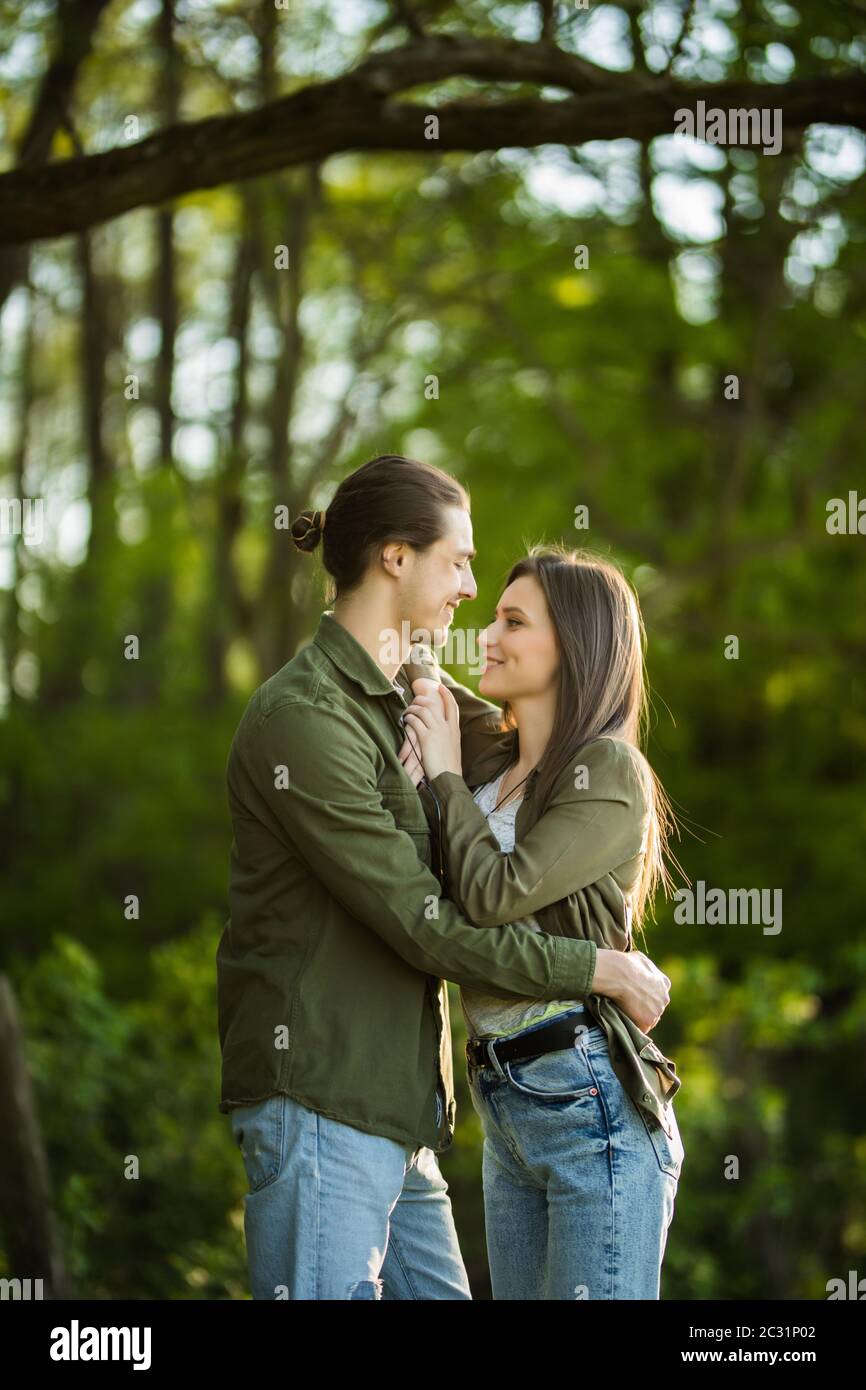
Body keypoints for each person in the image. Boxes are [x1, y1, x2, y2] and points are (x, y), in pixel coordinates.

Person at [216, 453, 672, 1300]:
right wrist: (598, 969)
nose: (469, 589)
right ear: (397, 557)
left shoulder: (409, 701)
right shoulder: (309, 720)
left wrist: (424, 675)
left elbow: (524, 743)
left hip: (404, 1114)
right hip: (323, 1097)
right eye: (459, 561)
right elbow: (430, 925)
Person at [399, 545, 684, 1299]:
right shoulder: (499, 753)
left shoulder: (607, 772)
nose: (487, 636)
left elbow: (493, 893)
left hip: (588, 1099)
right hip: (504, 1101)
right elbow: (405, 659)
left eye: (514, 621)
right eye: (491, 616)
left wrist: (445, 773)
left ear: (576, 648)